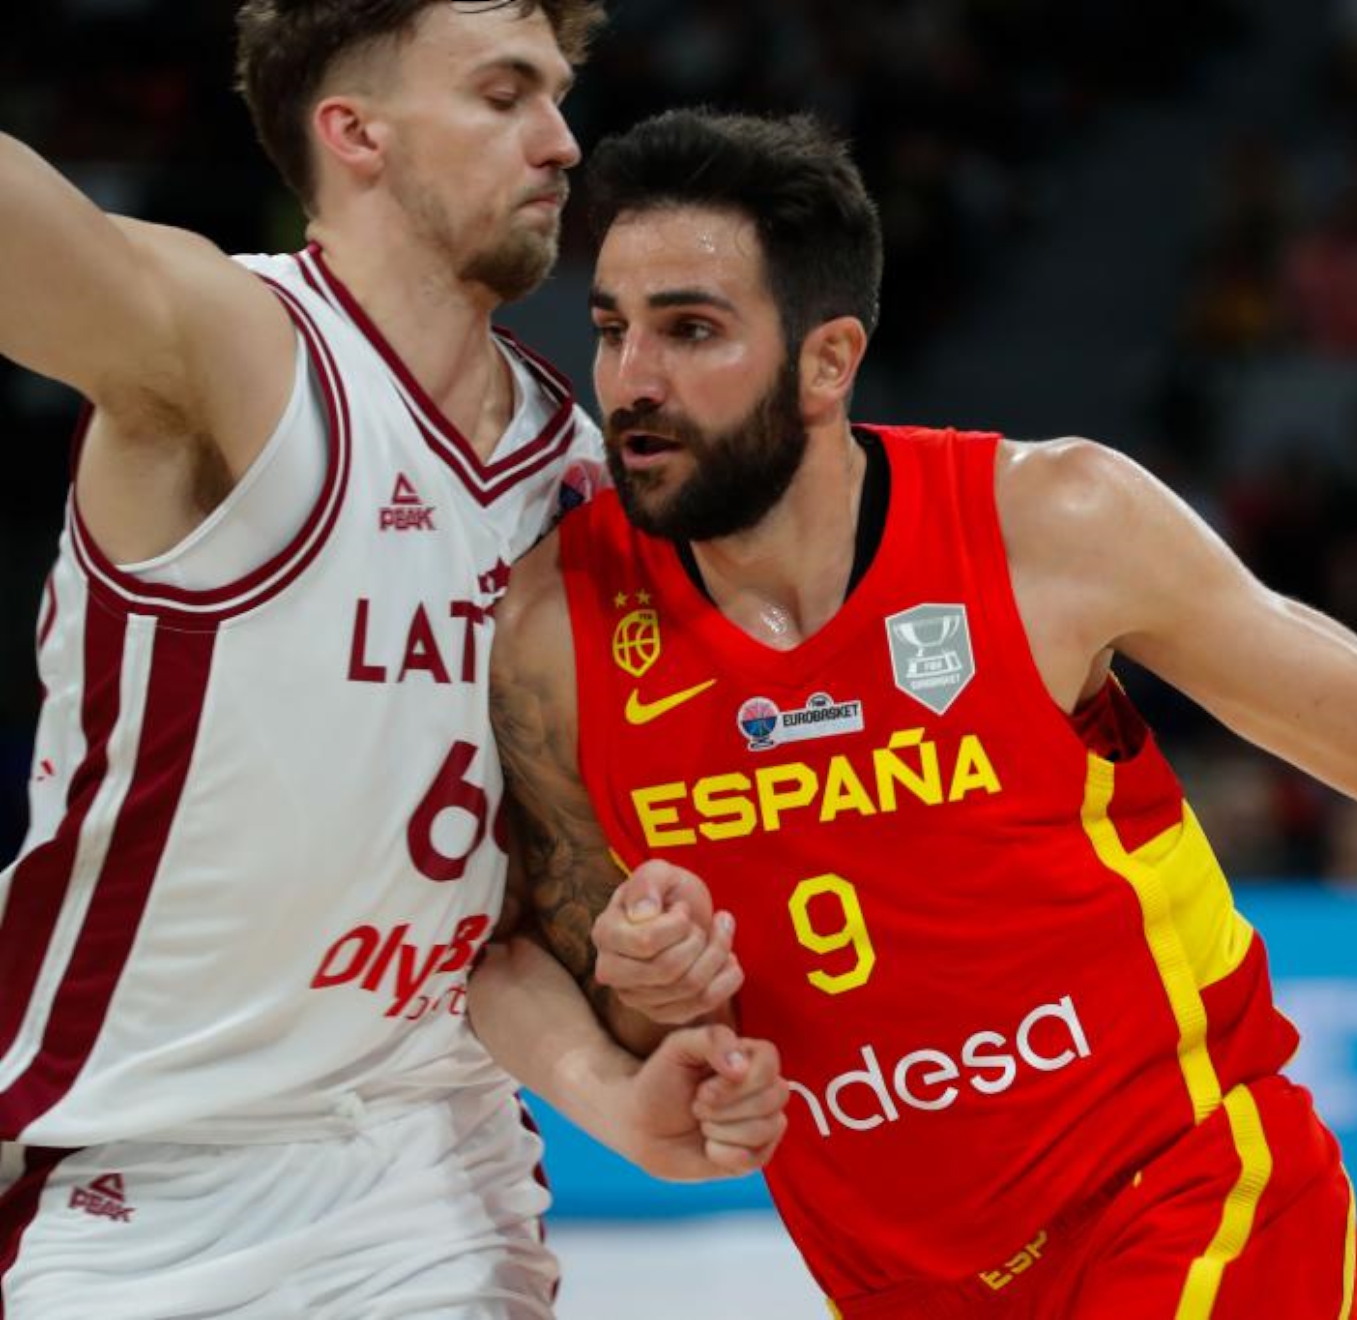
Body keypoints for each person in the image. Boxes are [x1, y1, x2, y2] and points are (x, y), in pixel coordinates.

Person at [488, 109, 1357, 1317]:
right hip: (894, 1281)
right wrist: (647, 989)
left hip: (1188, 1199)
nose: (632, 381)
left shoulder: (1051, 525)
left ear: (827, 360)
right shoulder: (558, 632)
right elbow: (608, 1008)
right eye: (611, 329)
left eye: (691, 330)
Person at [0, 7, 784, 1317]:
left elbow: (522, 923)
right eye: (504, 96)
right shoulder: (230, 350)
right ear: (355, 132)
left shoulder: (585, 483)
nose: (561, 141)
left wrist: (629, 1053)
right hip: (138, 1177)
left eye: (558, 95)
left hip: (432, 1178)